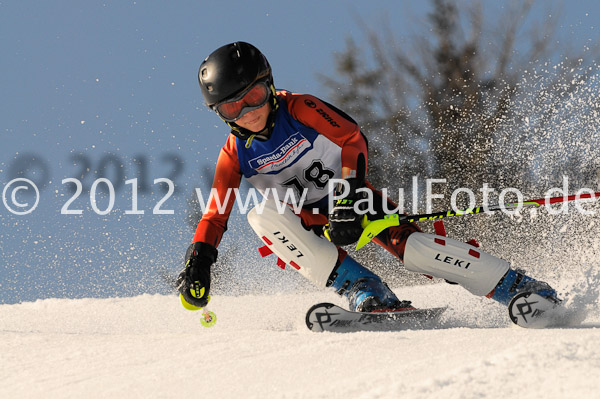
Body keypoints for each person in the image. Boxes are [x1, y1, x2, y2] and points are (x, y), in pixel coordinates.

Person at [177, 42, 558, 315]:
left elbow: (351, 138)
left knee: (416, 251)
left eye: (255, 95)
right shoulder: (235, 153)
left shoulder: (300, 108)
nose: (248, 111)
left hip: (355, 199)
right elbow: (216, 214)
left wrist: (347, 198)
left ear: (270, 86)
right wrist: (201, 259)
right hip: (310, 222)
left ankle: (516, 286)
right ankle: (363, 288)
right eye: (233, 106)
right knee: (261, 215)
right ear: (220, 112)